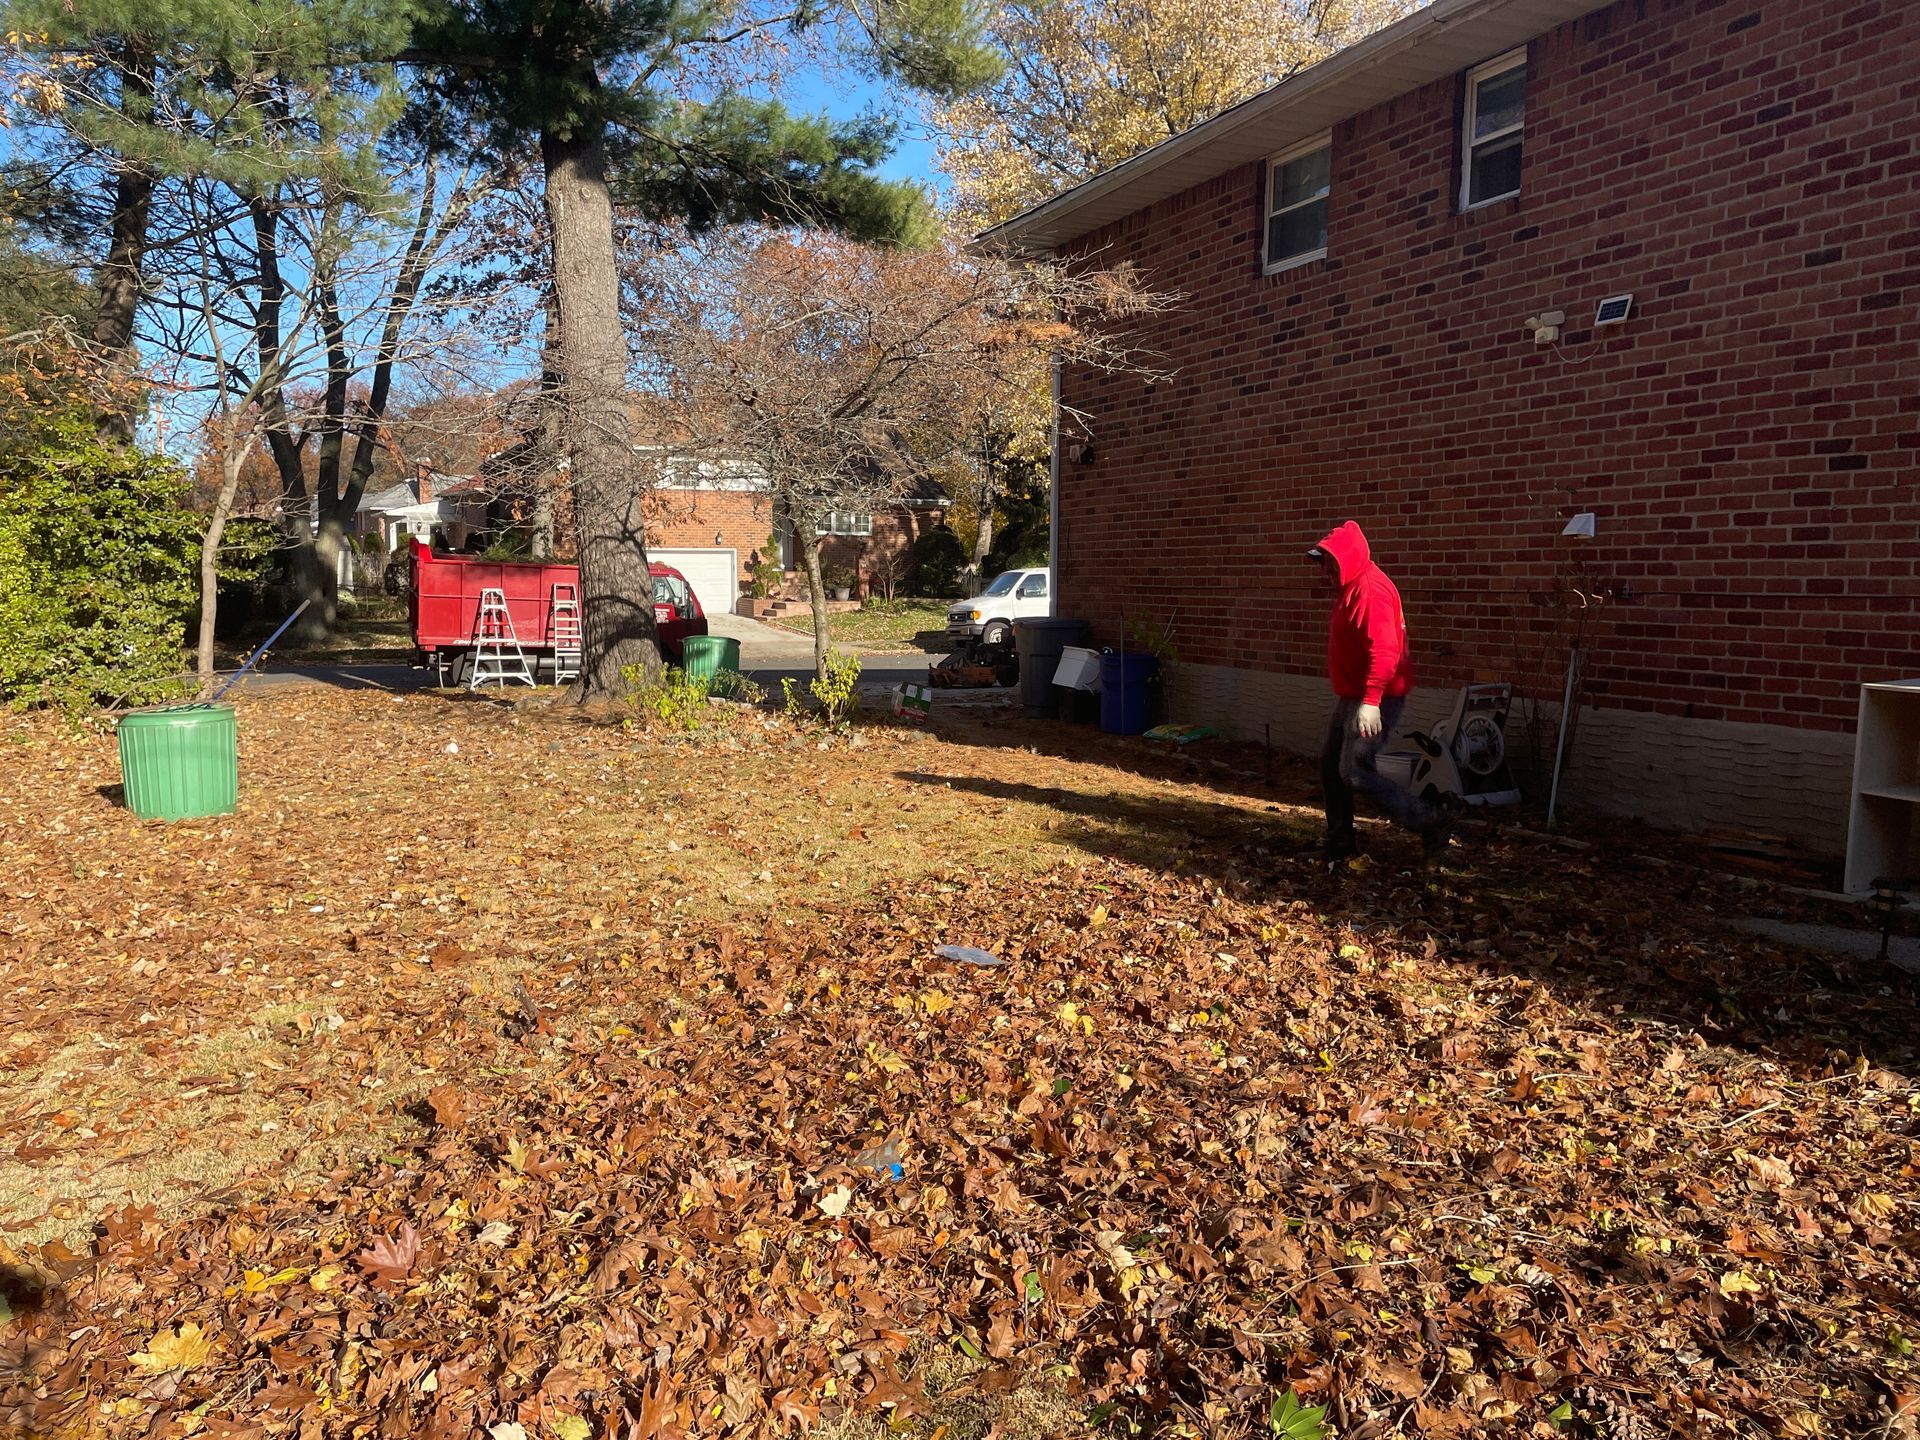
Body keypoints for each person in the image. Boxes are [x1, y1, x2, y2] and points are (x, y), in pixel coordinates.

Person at [1308, 521, 1451, 866]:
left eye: (1330, 562)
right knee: (1331, 766)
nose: (1326, 570)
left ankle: (1431, 820)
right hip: (1355, 694)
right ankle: (1340, 844)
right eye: (1322, 562)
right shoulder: (1351, 586)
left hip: (1377, 696)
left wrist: (1371, 702)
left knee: (1355, 771)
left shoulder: (1370, 592)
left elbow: (1386, 652)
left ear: (1348, 559)